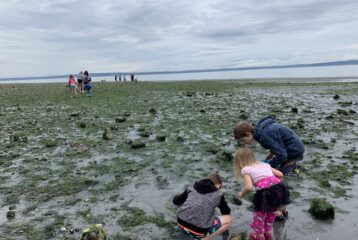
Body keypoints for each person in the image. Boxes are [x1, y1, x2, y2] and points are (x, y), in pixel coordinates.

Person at [234, 147, 289, 240]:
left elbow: (248, 187)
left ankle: (259, 235)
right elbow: (280, 174)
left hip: (265, 192)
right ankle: (267, 232)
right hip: (279, 189)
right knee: (272, 211)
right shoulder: (264, 164)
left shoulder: (245, 169)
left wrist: (241, 194)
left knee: (259, 213)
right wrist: (273, 184)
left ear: (239, 161)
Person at [233, 115, 305, 175]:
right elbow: (276, 142)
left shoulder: (263, 136)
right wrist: (270, 155)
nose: (243, 143)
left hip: (294, 151)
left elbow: (282, 155)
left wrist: (268, 166)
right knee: (279, 165)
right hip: (292, 147)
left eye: (243, 140)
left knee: (282, 173)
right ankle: (294, 166)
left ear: (248, 134)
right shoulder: (259, 130)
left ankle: (294, 169)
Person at [173, 172, 232, 240]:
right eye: (219, 187)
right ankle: (206, 238)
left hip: (180, 222)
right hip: (199, 231)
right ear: (218, 185)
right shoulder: (218, 194)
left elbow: (176, 201)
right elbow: (226, 212)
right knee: (229, 219)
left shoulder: (192, 187)